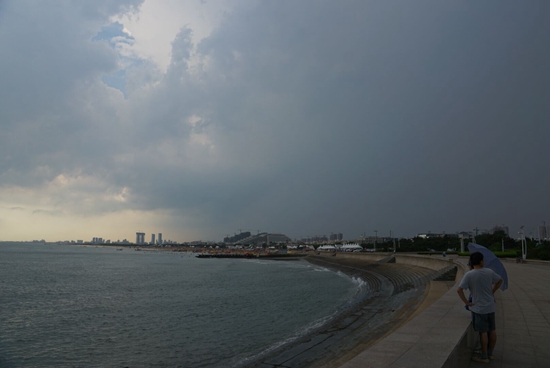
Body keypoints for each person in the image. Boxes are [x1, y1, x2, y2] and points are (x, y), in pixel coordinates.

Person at [457, 252, 503, 363]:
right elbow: (500, 280)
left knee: (483, 332)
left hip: (479, 308)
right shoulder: (489, 272)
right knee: (492, 330)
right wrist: (492, 291)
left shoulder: (470, 274)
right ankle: (490, 353)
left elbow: (459, 290)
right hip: (490, 306)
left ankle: (484, 356)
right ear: (481, 261)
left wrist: (467, 302)